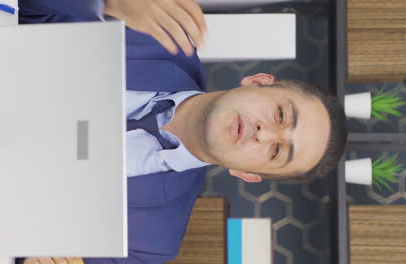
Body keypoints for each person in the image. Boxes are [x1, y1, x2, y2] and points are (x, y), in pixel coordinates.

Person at [18, 0, 347, 263]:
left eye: (276, 151)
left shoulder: (151, 242)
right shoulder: (155, 29)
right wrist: (104, 3)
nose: (264, 134)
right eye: (280, 114)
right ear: (258, 82)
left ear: (247, 173)